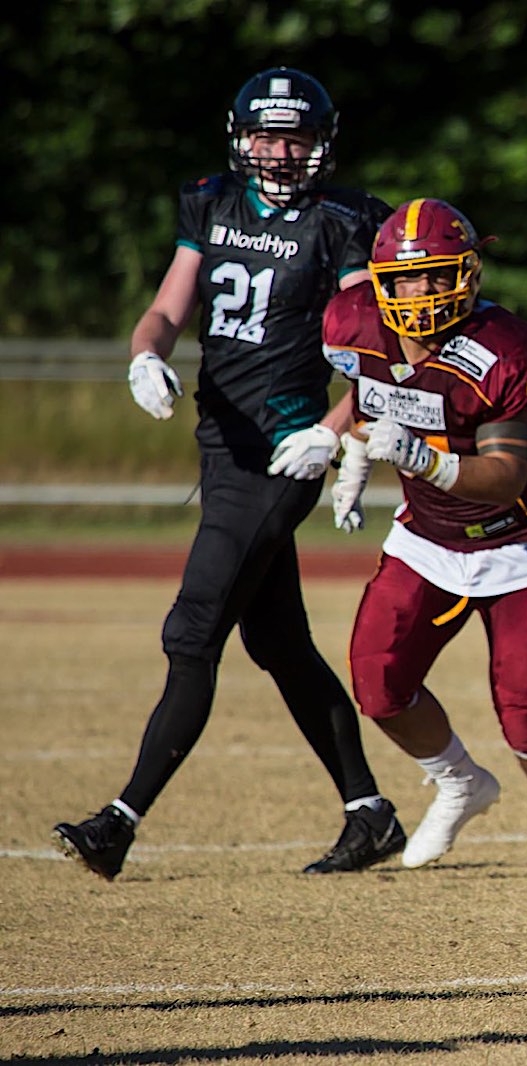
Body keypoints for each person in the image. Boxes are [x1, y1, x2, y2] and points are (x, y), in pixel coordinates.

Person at [52, 67, 406, 880]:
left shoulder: (343, 223)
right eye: (267, 135)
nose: (280, 153)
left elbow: (376, 350)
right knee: (278, 640)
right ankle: (369, 811)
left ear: (321, 141)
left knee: (192, 630)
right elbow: (169, 307)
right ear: (241, 136)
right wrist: (145, 355)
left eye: (295, 136)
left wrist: (331, 428)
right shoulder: (210, 202)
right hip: (223, 444)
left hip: (286, 452)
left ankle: (119, 821)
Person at [320, 197, 527, 880]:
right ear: (377, 281)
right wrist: (342, 449)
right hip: (427, 540)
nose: (422, 293)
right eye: (407, 279)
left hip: (519, 546)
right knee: (379, 684)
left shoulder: (505, 349)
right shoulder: (356, 325)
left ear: (469, 274)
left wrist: (421, 460)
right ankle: (458, 781)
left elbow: (504, 476)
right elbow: (368, 397)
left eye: (439, 275)